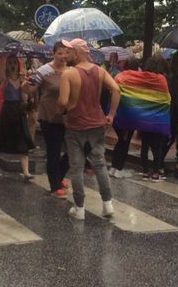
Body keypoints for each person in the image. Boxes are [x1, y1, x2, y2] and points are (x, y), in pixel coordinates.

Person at [57, 38, 120, 220]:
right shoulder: (100, 71)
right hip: (97, 123)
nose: (66, 54)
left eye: (69, 51)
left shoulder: (68, 74)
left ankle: (80, 208)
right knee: (99, 164)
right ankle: (108, 204)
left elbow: (62, 102)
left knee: (76, 168)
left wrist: (64, 109)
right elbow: (116, 90)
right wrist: (111, 115)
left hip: (75, 125)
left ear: (77, 53)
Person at [22, 41, 72, 198]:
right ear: (53, 54)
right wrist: (24, 85)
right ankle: (55, 185)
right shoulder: (44, 70)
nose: (63, 56)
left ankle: (59, 175)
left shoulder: (71, 71)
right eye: (60, 53)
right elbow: (30, 90)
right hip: (49, 116)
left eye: (66, 53)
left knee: (72, 150)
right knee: (54, 151)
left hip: (67, 117)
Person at [0, 54, 35, 179]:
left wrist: (25, 86)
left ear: (19, 65)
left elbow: (25, 99)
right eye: (10, 63)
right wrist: (3, 57)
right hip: (6, 111)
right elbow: (0, 70)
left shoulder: (22, 80)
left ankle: (26, 171)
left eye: (15, 63)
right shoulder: (4, 80)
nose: (13, 65)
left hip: (18, 111)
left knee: (23, 139)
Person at [108, 57, 140, 179]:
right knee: (124, 141)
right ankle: (118, 167)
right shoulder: (139, 78)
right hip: (130, 115)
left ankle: (114, 167)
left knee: (121, 139)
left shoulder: (119, 77)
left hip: (117, 113)